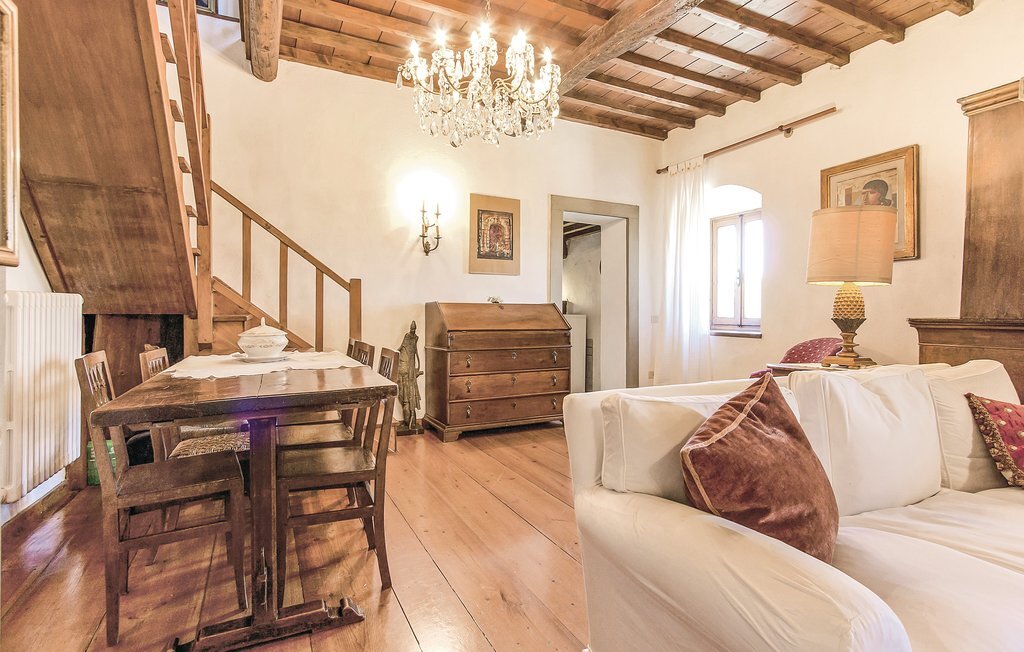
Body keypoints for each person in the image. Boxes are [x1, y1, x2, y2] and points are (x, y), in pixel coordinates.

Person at [397, 321, 423, 432]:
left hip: (411, 366)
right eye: (412, 328)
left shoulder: (415, 338)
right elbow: (402, 347)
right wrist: (396, 353)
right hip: (407, 366)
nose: (413, 330)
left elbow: (415, 352)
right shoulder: (407, 336)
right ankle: (409, 419)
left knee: (410, 395)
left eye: (414, 329)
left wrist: (416, 367)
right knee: (405, 395)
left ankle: (411, 419)